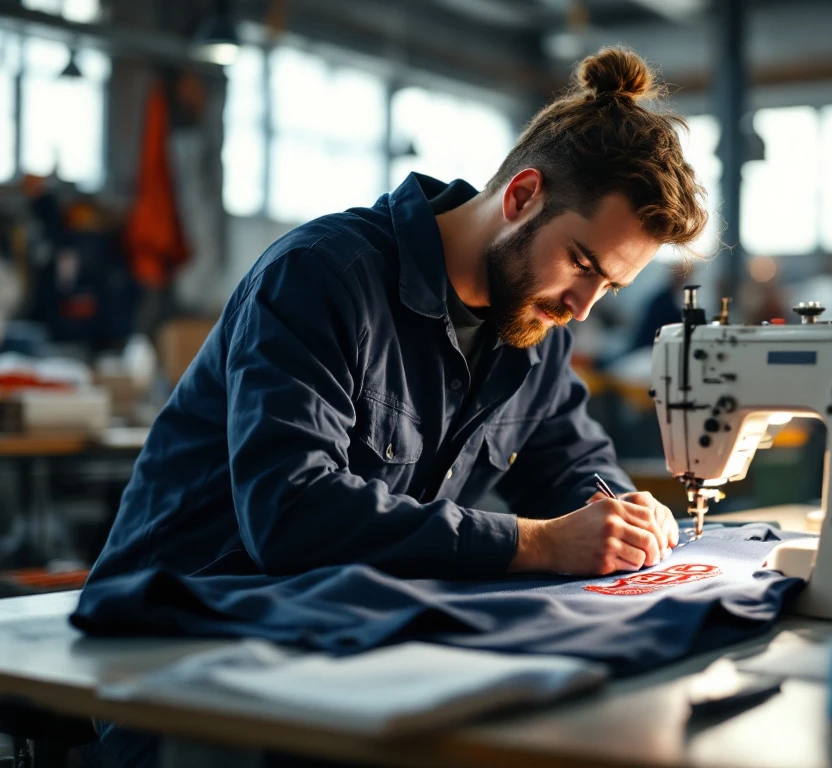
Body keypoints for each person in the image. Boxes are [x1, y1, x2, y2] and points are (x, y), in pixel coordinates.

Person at [88, 47, 708, 587]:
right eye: (581, 263)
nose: (582, 307)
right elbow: (291, 514)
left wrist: (621, 514)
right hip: (177, 623)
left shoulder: (530, 323)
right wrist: (536, 543)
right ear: (521, 197)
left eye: (609, 286)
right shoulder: (320, 277)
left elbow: (572, 464)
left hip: (329, 624)